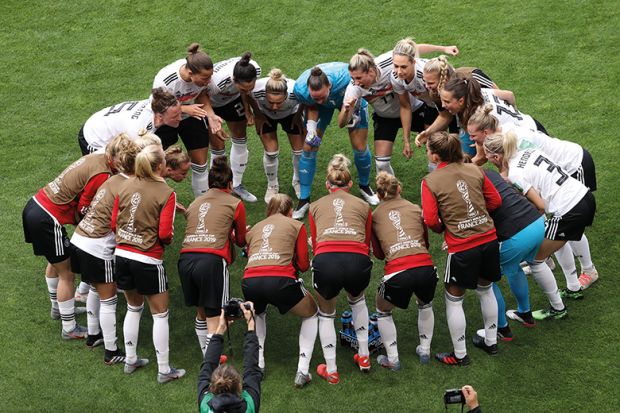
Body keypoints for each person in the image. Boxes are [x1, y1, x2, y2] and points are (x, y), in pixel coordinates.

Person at [467, 105, 599, 292]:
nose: (473, 141)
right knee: (558, 234)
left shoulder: (517, 163)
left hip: (573, 179)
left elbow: (540, 205)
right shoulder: (516, 144)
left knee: (542, 251)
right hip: (574, 190)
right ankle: (572, 284)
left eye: (474, 136)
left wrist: (529, 220)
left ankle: (571, 289)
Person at [483, 132, 596, 320]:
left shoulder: (515, 173)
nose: (485, 159)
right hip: (583, 197)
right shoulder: (529, 151)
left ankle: (558, 309)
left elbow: (541, 206)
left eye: (487, 156)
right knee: (557, 239)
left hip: (570, 209)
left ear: (496, 157)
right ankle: (573, 288)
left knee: (536, 259)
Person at [22, 135, 116, 339]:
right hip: (47, 218)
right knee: (67, 273)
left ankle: (58, 308)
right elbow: (83, 206)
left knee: (56, 261)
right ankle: (69, 328)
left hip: (35, 206)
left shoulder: (97, 156)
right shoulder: (102, 173)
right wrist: (87, 226)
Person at [421, 131, 502, 365]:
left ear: (435, 156)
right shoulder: (474, 169)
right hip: (488, 238)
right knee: (486, 290)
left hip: (462, 246)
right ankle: (491, 341)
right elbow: (495, 201)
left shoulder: (431, 181)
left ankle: (460, 355)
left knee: (454, 298)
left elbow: (430, 219)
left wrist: (444, 228)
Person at [111, 144, 185, 383]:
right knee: (160, 314)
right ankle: (164, 370)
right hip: (147, 258)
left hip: (122, 255)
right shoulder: (166, 193)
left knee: (134, 308)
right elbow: (165, 234)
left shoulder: (124, 185)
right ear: (159, 166)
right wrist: (167, 240)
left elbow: (114, 222)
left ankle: (130, 359)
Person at [70, 133, 140, 363]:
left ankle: (93, 335)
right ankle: (111, 351)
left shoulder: (111, 179)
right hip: (98, 247)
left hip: (79, 240)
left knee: (92, 287)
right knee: (108, 299)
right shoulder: (130, 186)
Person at [340, 42, 459, 175]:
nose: (398, 71)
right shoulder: (395, 77)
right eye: (396, 66)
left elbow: (446, 112)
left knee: (445, 150)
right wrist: (407, 141)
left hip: (442, 107)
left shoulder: (425, 75)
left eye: (403, 67)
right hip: (404, 113)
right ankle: (394, 192)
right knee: (384, 162)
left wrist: (443, 48)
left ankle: (452, 184)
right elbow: (404, 105)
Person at [242, 194, 318, 388]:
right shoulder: (296, 226)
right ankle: (302, 370)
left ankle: (258, 365)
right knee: (311, 313)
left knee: (258, 313)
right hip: (280, 280)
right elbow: (302, 264)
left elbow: (250, 254)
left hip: (250, 281)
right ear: (290, 211)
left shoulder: (254, 228)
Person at [309, 154, 373, 383]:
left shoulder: (315, 206)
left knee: (326, 313)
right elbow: (366, 244)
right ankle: (364, 357)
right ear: (350, 185)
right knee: (358, 300)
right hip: (357, 259)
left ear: (327, 185)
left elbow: (316, 245)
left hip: (326, 260)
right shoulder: (364, 205)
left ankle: (332, 370)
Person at [178, 156, 247, 357]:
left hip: (185, 260)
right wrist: (234, 234)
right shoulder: (235, 203)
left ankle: (207, 356)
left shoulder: (195, 202)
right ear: (230, 183)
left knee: (201, 312)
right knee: (217, 317)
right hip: (211, 262)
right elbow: (241, 240)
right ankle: (212, 367)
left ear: (209, 183)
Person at [292, 63, 378, 219]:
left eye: (322, 97)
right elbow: (312, 105)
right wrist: (311, 131)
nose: (319, 100)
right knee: (309, 147)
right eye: (315, 97)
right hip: (322, 107)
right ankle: (304, 198)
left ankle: (365, 186)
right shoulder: (301, 89)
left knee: (359, 146)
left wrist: (347, 110)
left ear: (330, 86)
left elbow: (342, 122)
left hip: (349, 98)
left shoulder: (347, 80)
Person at [371, 172, 437, 370]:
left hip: (398, 272)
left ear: (379, 195)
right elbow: (425, 242)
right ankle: (425, 350)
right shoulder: (415, 208)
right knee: (425, 303)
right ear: (399, 188)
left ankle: (393, 359)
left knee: (382, 309)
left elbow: (380, 255)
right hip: (426, 268)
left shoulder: (374, 216)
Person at [476, 168, 548, 334]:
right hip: (536, 224)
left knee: (486, 279)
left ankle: (501, 328)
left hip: (516, 235)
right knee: (514, 266)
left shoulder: (468, 185)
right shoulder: (488, 172)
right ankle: (525, 313)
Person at [152, 43, 220, 197]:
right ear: (190, 73)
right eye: (205, 78)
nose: (209, 81)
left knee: (200, 164)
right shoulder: (166, 81)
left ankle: (202, 205)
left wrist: (210, 114)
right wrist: (185, 108)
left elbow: (202, 93)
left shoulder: (202, 78)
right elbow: (157, 106)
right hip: (166, 120)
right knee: (155, 164)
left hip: (192, 116)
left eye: (210, 77)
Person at [204, 52, 262, 203]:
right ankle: (215, 189)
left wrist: (248, 109)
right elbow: (200, 96)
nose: (248, 90)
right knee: (218, 146)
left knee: (240, 138)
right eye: (243, 88)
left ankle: (236, 184)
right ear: (233, 81)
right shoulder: (216, 83)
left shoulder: (254, 69)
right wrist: (212, 118)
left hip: (231, 100)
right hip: (209, 103)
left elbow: (246, 91)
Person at [414, 58, 500, 157]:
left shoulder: (471, 76)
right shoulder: (434, 92)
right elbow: (445, 116)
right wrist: (428, 132)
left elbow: (500, 97)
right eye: (425, 82)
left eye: (430, 83)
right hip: (467, 122)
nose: (426, 86)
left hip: (493, 118)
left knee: (496, 152)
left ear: (444, 80)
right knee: (461, 156)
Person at [248, 68, 304, 203]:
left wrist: (297, 117)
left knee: (299, 152)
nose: (274, 107)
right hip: (265, 116)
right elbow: (245, 94)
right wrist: (257, 114)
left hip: (291, 114)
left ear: (286, 95)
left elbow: (306, 100)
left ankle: (297, 181)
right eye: (270, 102)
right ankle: (272, 185)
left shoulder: (296, 90)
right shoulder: (256, 89)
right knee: (271, 153)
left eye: (279, 102)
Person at [78, 88, 182, 155]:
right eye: (175, 116)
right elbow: (130, 158)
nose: (180, 118)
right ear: (160, 117)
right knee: (108, 173)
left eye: (180, 113)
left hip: (107, 121)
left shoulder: (157, 103)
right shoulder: (137, 129)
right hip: (94, 137)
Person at [197, 304, 261, 413]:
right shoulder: (249, 405)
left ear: (212, 387)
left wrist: (220, 329)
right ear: (240, 387)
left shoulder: (205, 406)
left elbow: (207, 366)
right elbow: (252, 370)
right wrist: (251, 323)